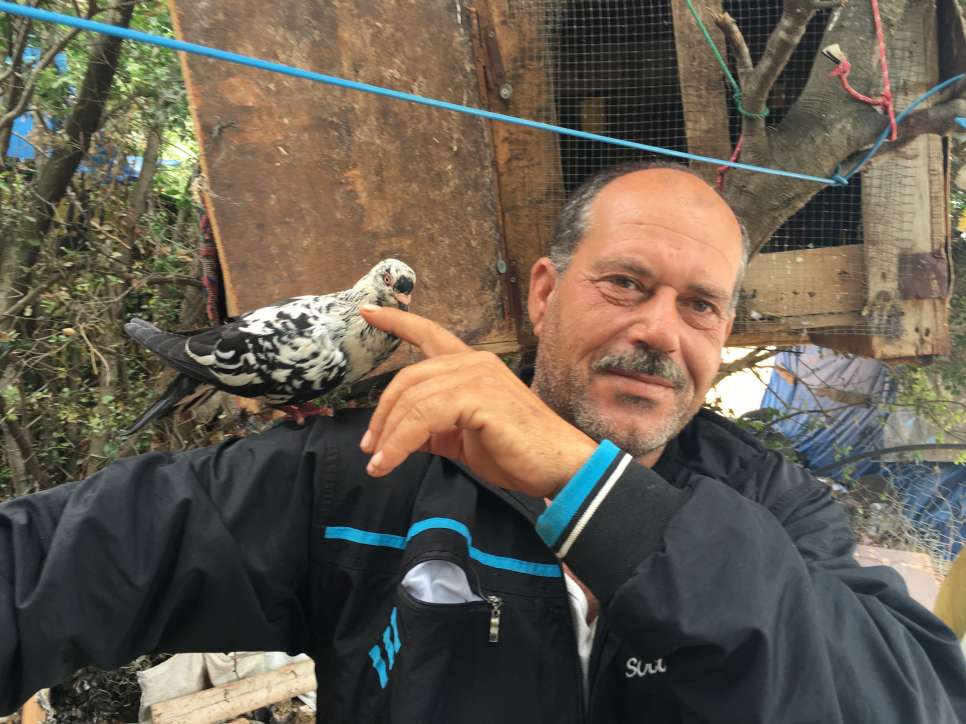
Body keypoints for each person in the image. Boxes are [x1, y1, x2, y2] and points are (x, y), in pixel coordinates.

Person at [1, 163, 964, 723]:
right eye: (625, 283)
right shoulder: (371, 466)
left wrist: (583, 484)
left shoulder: (773, 503)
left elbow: (913, 699)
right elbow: (55, 565)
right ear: (544, 293)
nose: (662, 334)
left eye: (701, 306)